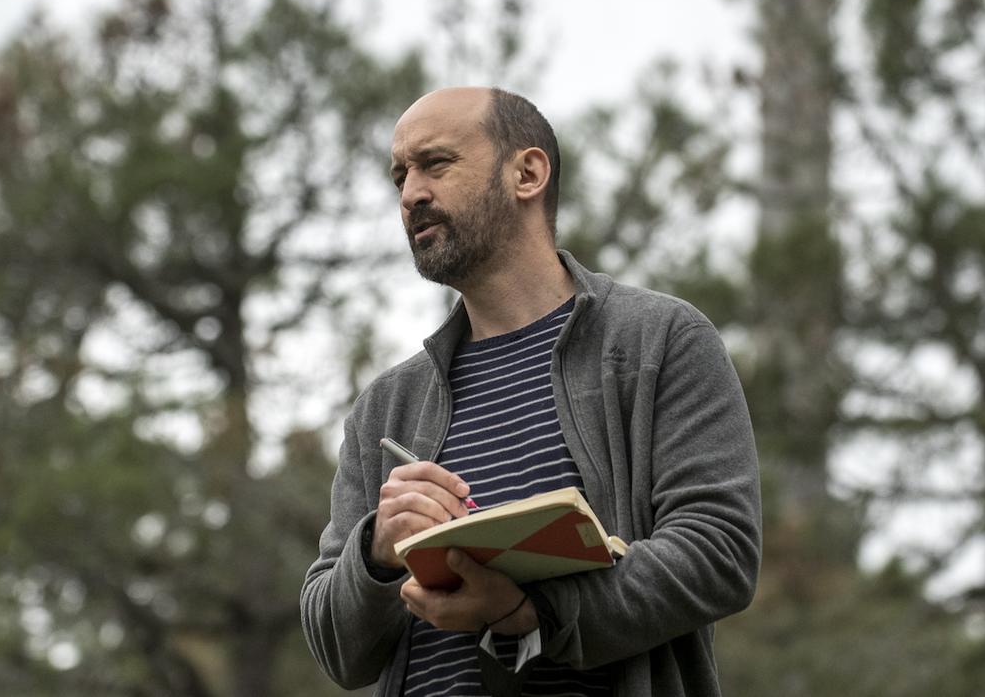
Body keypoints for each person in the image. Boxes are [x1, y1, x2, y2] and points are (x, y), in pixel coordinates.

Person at [300, 87, 761, 697]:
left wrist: (529, 614)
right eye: (400, 176)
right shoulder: (387, 408)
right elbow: (338, 649)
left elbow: (719, 551)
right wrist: (377, 552)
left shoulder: (659, 342)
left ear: (528, 172)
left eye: (435, 164)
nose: (411, 193)